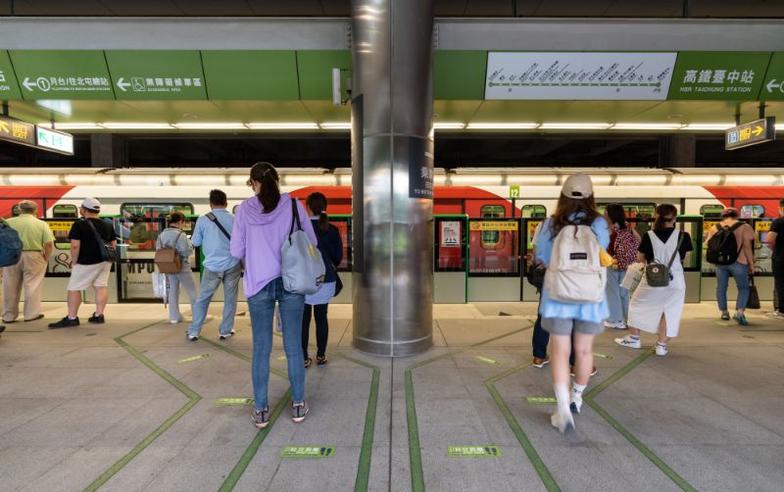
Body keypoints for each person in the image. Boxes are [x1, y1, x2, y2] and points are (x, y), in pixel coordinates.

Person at [231, 161, 317, 428]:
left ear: (253, 183)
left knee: (261, 349)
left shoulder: (244, 210)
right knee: (293, 347)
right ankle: (299, 404)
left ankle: (261, 409)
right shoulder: (293, 205)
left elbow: (235, 251)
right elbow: (311, 242)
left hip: (258, 285)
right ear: (277, 180)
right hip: (292, 282)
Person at [534, 174, 609, 434]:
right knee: (585, 351)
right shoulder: (599, 223)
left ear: (563, 196)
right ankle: (577, 397)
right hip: (590, 296)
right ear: (591, 197)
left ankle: (563, 407)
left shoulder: (551, 224)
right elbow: (603, 256)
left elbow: (541, 257)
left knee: (559, 351)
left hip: (557, 295)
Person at [615, 204, 693, 356]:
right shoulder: (683, 236)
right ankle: (661, 346)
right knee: (670, 312)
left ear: (657, 215)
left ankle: (634, 338)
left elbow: (640, 258)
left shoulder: (649, 235)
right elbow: (685, 257)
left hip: (652, 279)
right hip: (675, 280)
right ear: (675, 218)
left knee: (636, 304)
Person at [49, 198, 117, 328]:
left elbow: (75, 246)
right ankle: (99, 315)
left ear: (84, 210)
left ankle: (72, 318)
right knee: (101, 286)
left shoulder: (79, 224)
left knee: (74, 288)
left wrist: (74, 262)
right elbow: (113, 244)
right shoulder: (107, 224)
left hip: (86, 261)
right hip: (105, 261)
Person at [187, 190, 242, 341]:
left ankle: (194, 331)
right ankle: (225, 330)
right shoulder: (235, 219)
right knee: (230, 299)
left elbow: (195, 242)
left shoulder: (203, 220)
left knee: (203, 298)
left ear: (210, 204)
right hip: (232, 264)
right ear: (226, 203)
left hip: (211, 266)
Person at [301, 192, 343, 367]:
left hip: (303, 280)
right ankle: (321, 355)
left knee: (303, 320)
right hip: (326, 280)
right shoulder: (331, 229)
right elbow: (338, 257)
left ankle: (303, 357)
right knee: (321, 317)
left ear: (308, 207)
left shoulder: (300, 229)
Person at [2, 200, 54, 323]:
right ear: (35, 210)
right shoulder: (41, 224)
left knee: (9, 286)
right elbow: (48, 244)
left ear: (19, 209)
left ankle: (8, 316)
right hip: (34, 255)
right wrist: (45, 258)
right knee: (33, 286)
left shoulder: (8, 222)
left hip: (11, 256)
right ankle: (31, 315)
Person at [706, 207, 755, 325]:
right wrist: (751, 263)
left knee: (721, 287)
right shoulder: (744, 227)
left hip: (721, 263)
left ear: (723, 216)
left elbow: (708, 243)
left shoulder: (715, 227)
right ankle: (739, 312)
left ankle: (724, 312)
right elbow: (747, 247)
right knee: (743, 287)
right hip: (739, 262)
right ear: (737, 215)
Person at [603, 203, 641, 330]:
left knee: (612, 292)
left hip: (612, 264)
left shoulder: (609, 228)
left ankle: (615, 320)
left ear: (609, 214)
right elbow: (638, 240)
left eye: (605, 212)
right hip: (626, 265)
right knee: (624, 293)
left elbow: (604, 245)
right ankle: (628, 320)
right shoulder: (627, 226)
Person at [157, 212, 198, 325]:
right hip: (182, 266)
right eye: (183, 222)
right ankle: (197, 317)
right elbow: (187, 251)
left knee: (173, 291)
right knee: (192, 291)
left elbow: (158, 250)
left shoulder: (161, 235)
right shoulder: (181, 235)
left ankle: (174, 317)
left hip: (169, 266)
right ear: (180, 221)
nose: (183, 225)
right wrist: (190, 244)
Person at [766, 198, 784, 319]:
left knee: (781, 284)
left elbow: (769, 240)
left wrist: (775, 250)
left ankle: (781, 311)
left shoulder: (778, 222)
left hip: (781, 259)